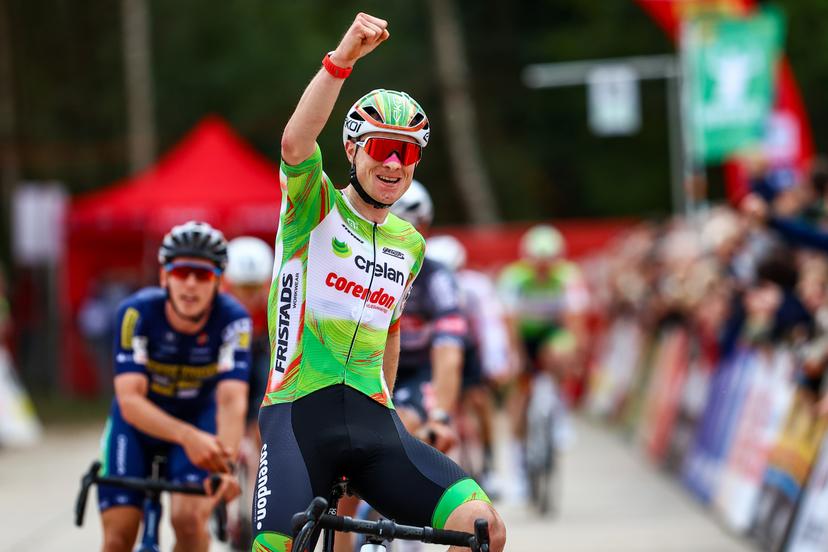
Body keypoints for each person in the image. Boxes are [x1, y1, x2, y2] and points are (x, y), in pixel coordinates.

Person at [253, 13, 505, 551]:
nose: (394, 163)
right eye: (381, 147)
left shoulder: (410, 244)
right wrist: (341, 59)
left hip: (374, 424)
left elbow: (390, 330)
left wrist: (389, 403)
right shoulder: (313, 208)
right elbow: (296, 142)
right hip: (299, 415)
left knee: (484, 528)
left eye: (407, 152)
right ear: (351, 150)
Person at [98, 221, 250, 552]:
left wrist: (225, 467)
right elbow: (130, 401)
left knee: (189, 520)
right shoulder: (135, 312)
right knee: (118, 535)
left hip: (199, 420)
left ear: (219, 282)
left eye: (203, 275)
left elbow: (231, 401)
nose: (191, 285)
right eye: (182, 273)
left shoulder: (233, 320)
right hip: (138, 426)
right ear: (165, 276)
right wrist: (187, 437)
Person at [498, 224, 589, 499]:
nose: (542, 269)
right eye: (537, 263)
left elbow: (575, 322)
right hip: (523, 336)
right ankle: (518, 470)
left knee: (560, 352)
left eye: (548, 263)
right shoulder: (514, 278)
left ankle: (559, 411)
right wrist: (517, 359)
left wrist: (576, 358)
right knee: (519, 395)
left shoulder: (568, 276)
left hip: (552, 334)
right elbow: (509, 324)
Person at [426, 234, 514, 494]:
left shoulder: (476, 287)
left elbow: (490, 327)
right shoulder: (424, 284)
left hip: (469, 348)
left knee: (479, 401)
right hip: (435, 350)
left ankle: (488, 463)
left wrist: (495, 364)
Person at [390, 181, 467, 453]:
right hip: (367, 369)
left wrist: (440, 417)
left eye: (411, 227)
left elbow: (449, 351)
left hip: (416, 371)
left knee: (401, 425)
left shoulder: (437, 278)